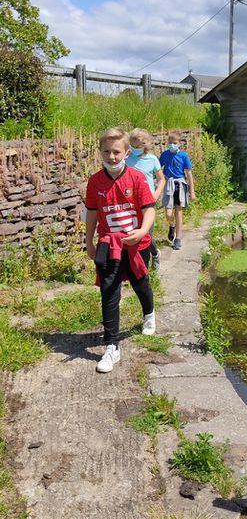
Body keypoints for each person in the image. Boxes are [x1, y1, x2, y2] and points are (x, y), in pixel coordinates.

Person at [85, 127, 156, 374]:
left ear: (126, 152)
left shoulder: (136, 178)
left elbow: (149, 209)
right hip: (109, 243)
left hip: (137, 244)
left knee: (140, 283)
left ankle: (149, 314)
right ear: (100, 152)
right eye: (107, 151)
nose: (112, 157)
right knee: (109, 291)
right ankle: (112, 346)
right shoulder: (94, 181)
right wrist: (89, 242)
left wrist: (142, 231)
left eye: (117, 152)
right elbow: (92, 213)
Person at [126, 128, 166, 271]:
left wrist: (156, 194)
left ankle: (154, 255)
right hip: (129, 202)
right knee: (132, 233)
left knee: (146, 233)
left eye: (138, 146)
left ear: (145, 145)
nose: (135, 149)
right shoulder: (126, 158)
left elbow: (161, 180)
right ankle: (134, 267)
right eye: (133, 145)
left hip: (147, 202)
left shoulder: (152, 159)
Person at [159, 130, 195, 250]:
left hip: (180, 184)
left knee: (178, 211)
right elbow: (158, 170)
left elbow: (189, 174)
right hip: (169, 184)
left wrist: (192, 191)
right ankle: (172, 225)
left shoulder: (184, 156)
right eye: (170, 142)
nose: (172, 145)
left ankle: (178, 238)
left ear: (179, 143)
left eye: (174, 142)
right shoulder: (164, 155)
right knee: (168, 212)